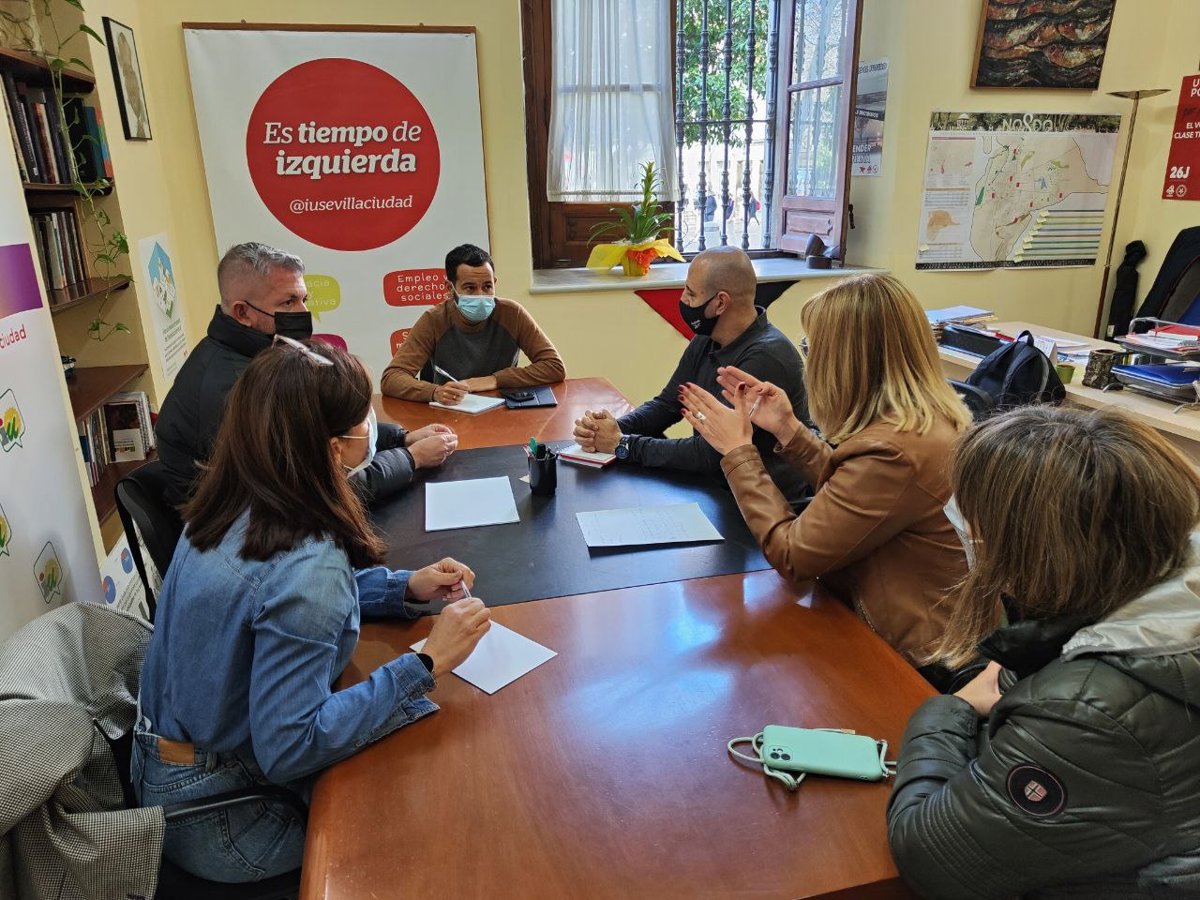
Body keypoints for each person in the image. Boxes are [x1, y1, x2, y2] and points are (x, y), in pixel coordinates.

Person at [133, 339, 492, 883]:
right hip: (227, 818)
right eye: (363, 420)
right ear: (332, 449)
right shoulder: (308, 564)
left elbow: (273, 601)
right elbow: (292, 746)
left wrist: (404, 589)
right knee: (441, 820)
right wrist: (427, 662)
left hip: (168, 771)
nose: (372, 428)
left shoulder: (229, 500)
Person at [887, 407, 1200, 899]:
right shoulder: (1161, 590)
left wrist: (950, 708)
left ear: (1036, 549)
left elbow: (931, 855)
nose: (968, 532)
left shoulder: (1089, 710)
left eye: (979, 522)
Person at [678, 273, 973, 677]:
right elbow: (856, 495)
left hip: (913, 659)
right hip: (931, 629)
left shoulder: (892, 452)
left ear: (843, 362)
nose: (808, 360)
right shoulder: (925, 422)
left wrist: (738, 452)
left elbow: (792, 555)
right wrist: (787, 428)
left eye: (810, 347)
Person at [156, 242, 456, 507]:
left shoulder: (267, 354)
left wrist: (402, 438)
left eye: (304, 299)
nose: (303, 312)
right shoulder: (235, 390)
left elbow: (325, 424)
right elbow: (313, 492)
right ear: (243, 313)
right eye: (288, 302)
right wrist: (411, 459)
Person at [573, 246, 810, 508]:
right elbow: (668, 404)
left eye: (691, 293)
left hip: (765, 506)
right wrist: (609, 429)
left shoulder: (766, 357)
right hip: (717, 489)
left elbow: (712, 453)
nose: (683, 299)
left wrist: (623, 444)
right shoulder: (708, 338)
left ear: (720, 303)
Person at [380, 244, 565, 405]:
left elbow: (554, 366)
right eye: (470, 288)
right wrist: (434, 392)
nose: (480, 295)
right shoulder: (434, 319)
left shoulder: (512, 313)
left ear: (495, 283)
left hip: (503, 407)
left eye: (487, 286)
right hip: (452, 408)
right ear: (450, 288)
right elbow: (392, 378)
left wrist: (494, 380)